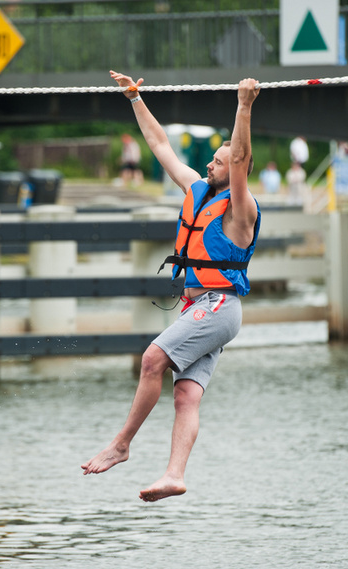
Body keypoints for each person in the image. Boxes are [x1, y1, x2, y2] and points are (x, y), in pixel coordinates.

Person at [81, 70, 262, 502]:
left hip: (219, 306)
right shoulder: (198, 190)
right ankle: (174, 475)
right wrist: (134, 98)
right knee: (185, 396)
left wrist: (243, 106)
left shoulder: (241, 209)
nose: (208, 165)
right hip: (201, 310)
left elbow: (237, 161)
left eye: (215, 161)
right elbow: (160, 144)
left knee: (151, 359)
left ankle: (121, 444)